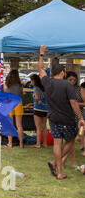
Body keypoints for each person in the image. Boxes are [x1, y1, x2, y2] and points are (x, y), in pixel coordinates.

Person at [38, 45, 85, 180]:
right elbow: (74, 103)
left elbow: (40, 69)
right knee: (70, 141)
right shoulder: (67, 85)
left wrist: (41, 54)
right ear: (63, 73)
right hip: (67, 118)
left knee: (57, 142)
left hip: (52, 118)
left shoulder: (47, 82)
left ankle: (59, 171)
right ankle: (55, 165)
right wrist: (81, 117)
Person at [65, 71, 85, 167]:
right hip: (68, 115)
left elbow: (84, 102)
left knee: (78, 136)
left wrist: (75, 104)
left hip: (79, 115)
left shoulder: (79, 89)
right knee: (70, 140)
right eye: (70, 79)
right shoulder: (65, 88)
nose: (73, 81)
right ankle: (71, 161)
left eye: (74, 79)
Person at [4, 69, 24, 148]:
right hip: (18, 103)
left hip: (9, 104)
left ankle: (10, 143)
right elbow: (21, 95)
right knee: (19, 125)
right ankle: (21, 143)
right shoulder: (20, 85)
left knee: (10, 124)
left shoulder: (6, 84)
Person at [30, 74, 48, 148]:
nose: (31, 82)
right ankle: (45, 143)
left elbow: (37, 98)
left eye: (31, 80)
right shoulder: (43, 88)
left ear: (34, 80)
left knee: (38, 127)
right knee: (44, 127)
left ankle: (38, 144)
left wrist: (37, 101)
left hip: (38, 108)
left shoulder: (36, 88)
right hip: (46, 109)